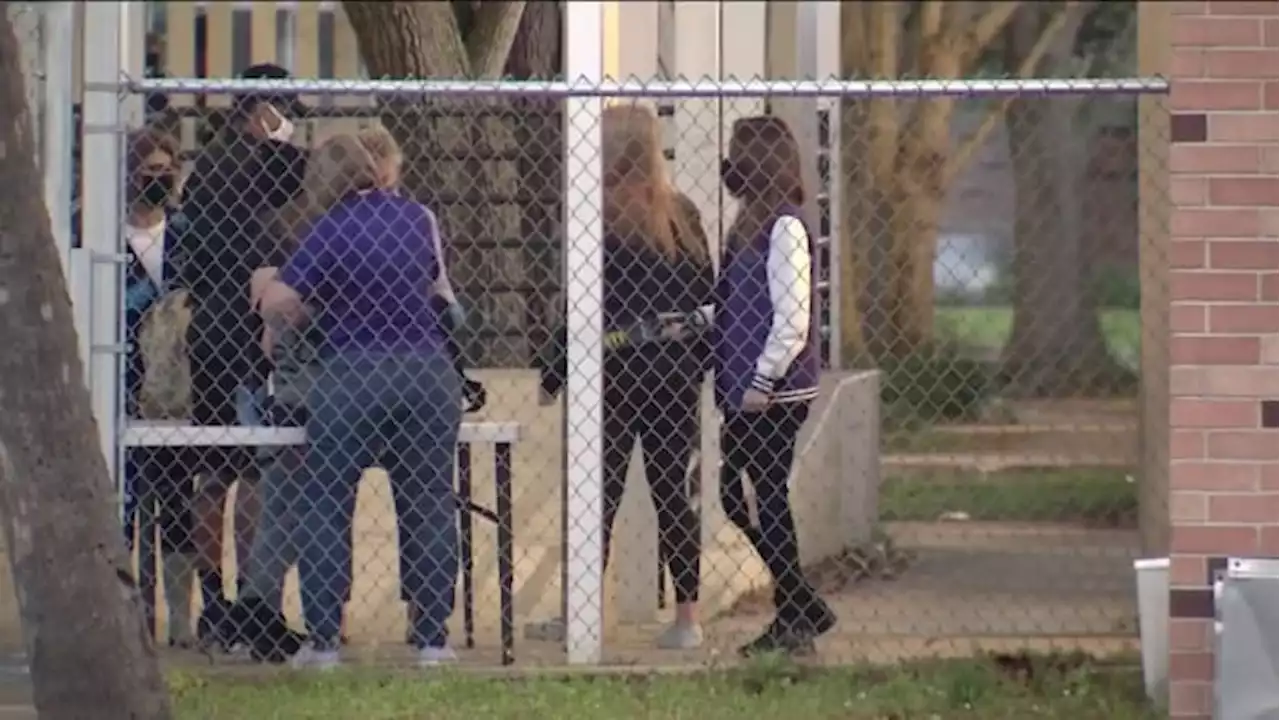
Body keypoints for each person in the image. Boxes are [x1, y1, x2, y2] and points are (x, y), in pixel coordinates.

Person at [257, 133, 463, 670]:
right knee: (428, 501)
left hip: (353, 373)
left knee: (326, 499)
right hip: (427, 373)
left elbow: (281, 298)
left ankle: (323, 639)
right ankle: (432, 636)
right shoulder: (418, 218)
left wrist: (288, 314)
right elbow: (440, 292)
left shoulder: (330, 227)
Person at [534, 104, 714, 649]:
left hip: (607, 376)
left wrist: (554, 370)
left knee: (596, 494)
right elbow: (705, 294)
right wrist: (697, 362)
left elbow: (581, 308)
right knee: (672, 493)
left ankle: (582, 614)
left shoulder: (595, 214)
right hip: (674, 377)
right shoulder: (681, 214)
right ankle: (687, 618)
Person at [172, 62, 308, 647]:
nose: (291, 126)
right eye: (285, 113)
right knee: (248, 468)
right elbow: (276, 215)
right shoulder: (245, 165)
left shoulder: (213, 164)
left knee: (218, 465)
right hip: (244, 336)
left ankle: (222, 600)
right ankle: (246, 603)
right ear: (264, 111)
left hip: (217, 332)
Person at [711, 116, 836, 656]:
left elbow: (793, 318)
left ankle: (795, 617)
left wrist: (763, 378)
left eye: (736, 155)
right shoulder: (747, 226)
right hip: (745, 390)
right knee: (733, 492)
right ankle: (802, 603)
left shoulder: (784, 228)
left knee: (767, 498)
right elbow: (738, 304)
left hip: (774, 394)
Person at [121, 127, 198, 647]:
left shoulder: (188, 232)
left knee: (176, 504)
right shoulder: (97, 229)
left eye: (166, 169)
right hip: (119, 378)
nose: (158, 179)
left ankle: (181, 618)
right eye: (147, 170)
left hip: (173, 387)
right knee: (123, 505)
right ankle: (122, 618)